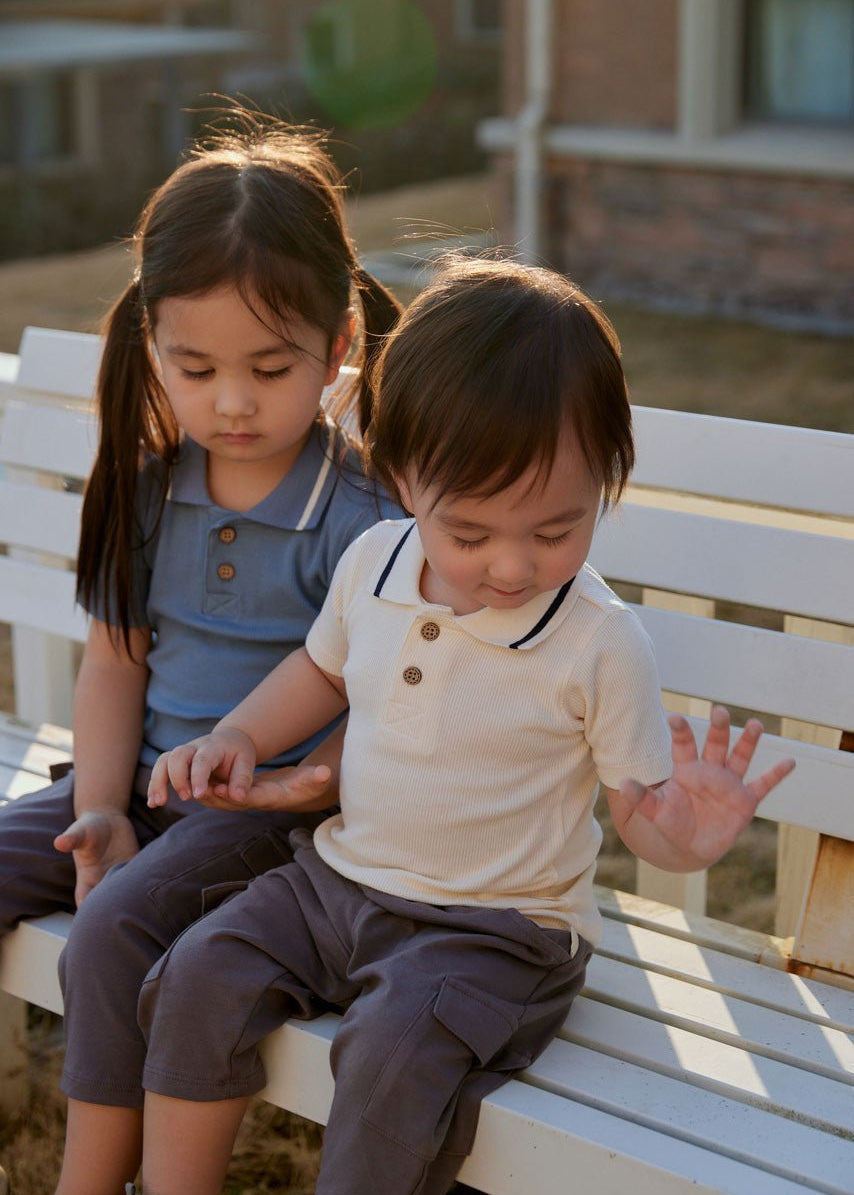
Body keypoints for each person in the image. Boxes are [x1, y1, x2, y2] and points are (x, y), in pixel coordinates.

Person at [141, 256, 796, 1195]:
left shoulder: (600, 643)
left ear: (606, 485)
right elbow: (319, 671)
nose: (511, 566)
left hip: (495, 934)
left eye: (555, 531)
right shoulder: (373, 558)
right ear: (405, 478)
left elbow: (640, 809)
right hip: (341, 880)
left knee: (394, 1053)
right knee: (201, 970)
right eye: (472, 533)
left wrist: (682, 836)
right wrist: (239, 733)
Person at [0, 108, 404, 1195]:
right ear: (150, 348)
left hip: (264, 815)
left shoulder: (359, 515)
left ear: (340, 345)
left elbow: (387, 699)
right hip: (141, 778)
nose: (230, 401)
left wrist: (306, 779)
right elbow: (115, 664)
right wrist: (98, 808)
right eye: (193, 367)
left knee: (112, 928)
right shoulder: (146, 483)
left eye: (271, 368)